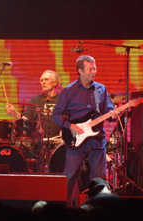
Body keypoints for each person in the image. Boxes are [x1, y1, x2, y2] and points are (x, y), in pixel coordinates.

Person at [52, 55, 118, 207]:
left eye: (95, 68)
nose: (94, 71)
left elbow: (108, 111)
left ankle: (98, 210)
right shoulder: (69, 91)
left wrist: (113, 115)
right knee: (69, 177)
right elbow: (56, 114)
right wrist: (70, 126)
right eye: (91, 69)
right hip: (77, 140)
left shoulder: (101, 89)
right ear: (80, 71)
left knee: (99, 179)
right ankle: (60, 210)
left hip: (97, 140)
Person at [6, 70, 62, 172]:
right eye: (41, 80)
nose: (43, 82)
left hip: (57, 141)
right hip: (38, 143)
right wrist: (14, 113)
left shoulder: (62, 99)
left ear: (55, 83)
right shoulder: (35, 100)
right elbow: (26, 122)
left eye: (46, 79)